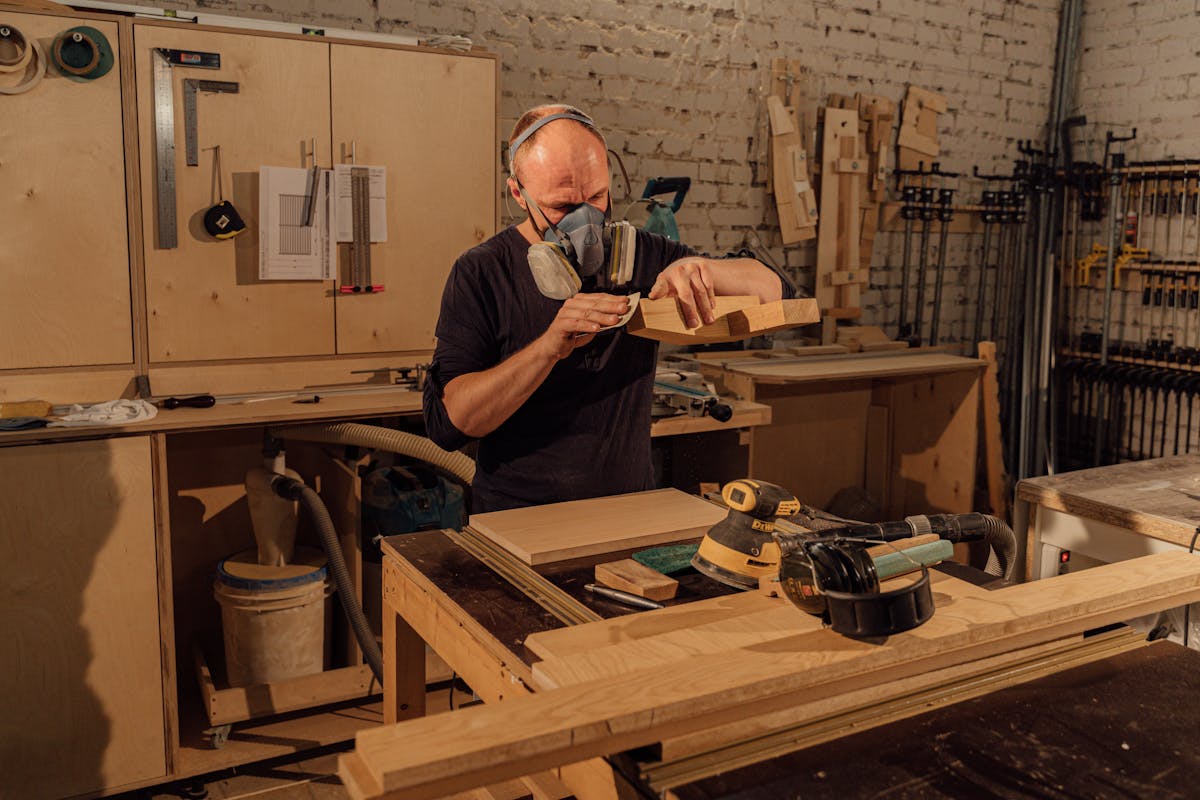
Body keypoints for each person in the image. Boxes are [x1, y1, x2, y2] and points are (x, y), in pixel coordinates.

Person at [422, 104, 791, 512]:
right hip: (519, 520)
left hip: (627, 511)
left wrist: (700, 268)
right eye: (562, 207)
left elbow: (781, 291)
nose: (585, 221)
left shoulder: (641, 257)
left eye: (596, 197)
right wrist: (548, 348)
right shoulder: (481, 273)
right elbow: (449, 425)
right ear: (518, 194)